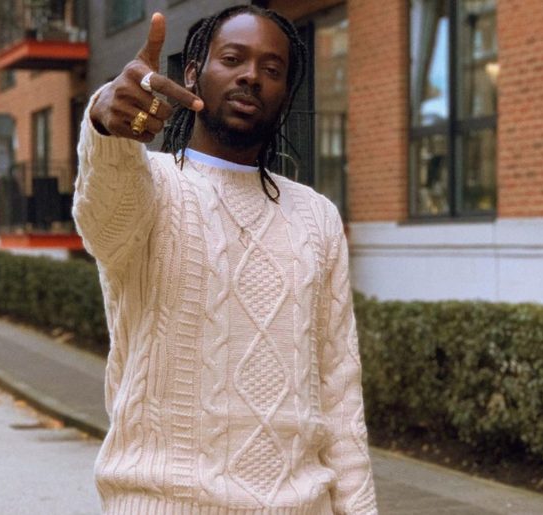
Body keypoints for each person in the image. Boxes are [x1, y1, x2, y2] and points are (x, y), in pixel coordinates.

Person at [73, 5, 377, 514]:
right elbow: (102, 219)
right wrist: (105, 126)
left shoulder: (317, 217)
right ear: (193, 74)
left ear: (286, 94)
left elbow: (340, 394)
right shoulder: (152, 186)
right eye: (233, 59)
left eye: (272, 69)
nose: (252, 76)